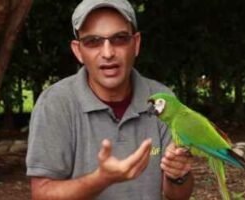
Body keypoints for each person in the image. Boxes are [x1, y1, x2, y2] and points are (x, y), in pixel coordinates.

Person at [25, 0, 194, 199]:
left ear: (136, 44)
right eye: (93, 41)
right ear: (78, 51)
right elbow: (41, 193)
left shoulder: (162, 100)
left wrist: (178, 175)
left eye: (119, 38)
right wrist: (102, 178)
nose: (107, 53)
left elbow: (178, 195)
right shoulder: (55, 103)